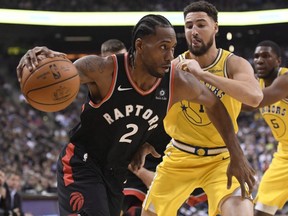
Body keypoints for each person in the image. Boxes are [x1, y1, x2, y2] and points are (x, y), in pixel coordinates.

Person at [17, 14, 255, 216]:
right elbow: (63, 71)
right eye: (163, 47)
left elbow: (215, 105)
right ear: (140, 46)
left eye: (172, 48)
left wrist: (237, 155)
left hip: (116, 171)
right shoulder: (103, 69)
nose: (169, 56)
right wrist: (44, 59)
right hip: (82, 164)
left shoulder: (176, 81)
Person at [142, 1, 263, 216]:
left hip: (223, 157)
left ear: (215, 27)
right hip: (180, 156)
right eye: (189, 26)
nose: (194, 31)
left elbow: (254, 97)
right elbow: (150, 107)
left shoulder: (232, 64)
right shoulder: (172, 67)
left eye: (201, 25)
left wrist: (202, 75)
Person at [242, 40, 288, 216]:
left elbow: (253, 103)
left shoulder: (285, 80)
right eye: (256, 56)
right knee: (261, 210)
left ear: (278, 61)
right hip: (284, 154)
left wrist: (213, 94)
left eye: (266, 56)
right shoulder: (255, 84)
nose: (260, 60)